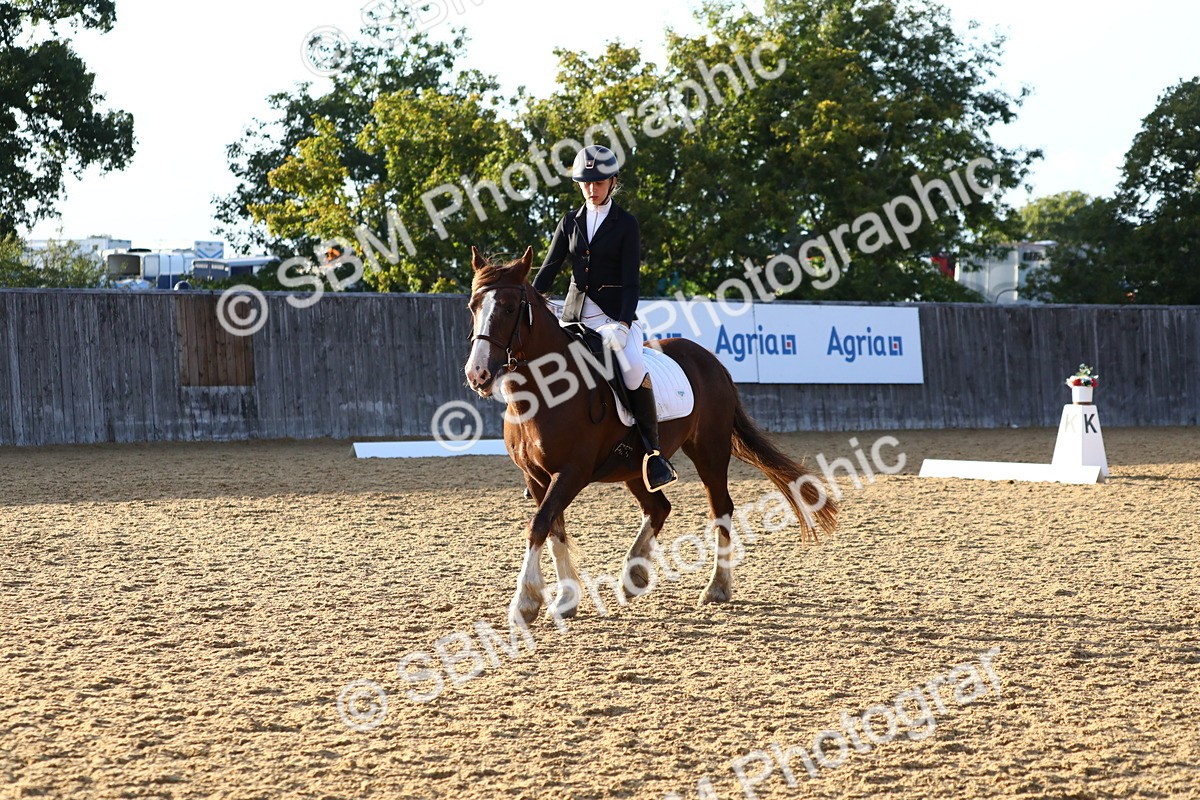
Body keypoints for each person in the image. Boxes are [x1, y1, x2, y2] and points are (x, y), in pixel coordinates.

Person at [531, 144, 678, 492]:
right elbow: (549, 269)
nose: (592, 189)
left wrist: (625, 324)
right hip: (573, 316)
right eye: (586, 183)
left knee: (632, 369)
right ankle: (539, 455)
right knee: (543, 366)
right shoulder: (569, 221)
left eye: (598, 183)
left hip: (613, 317)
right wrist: (530, 301)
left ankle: (653, 455)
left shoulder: (626, 224)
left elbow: (632, 280)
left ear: (612, 182)